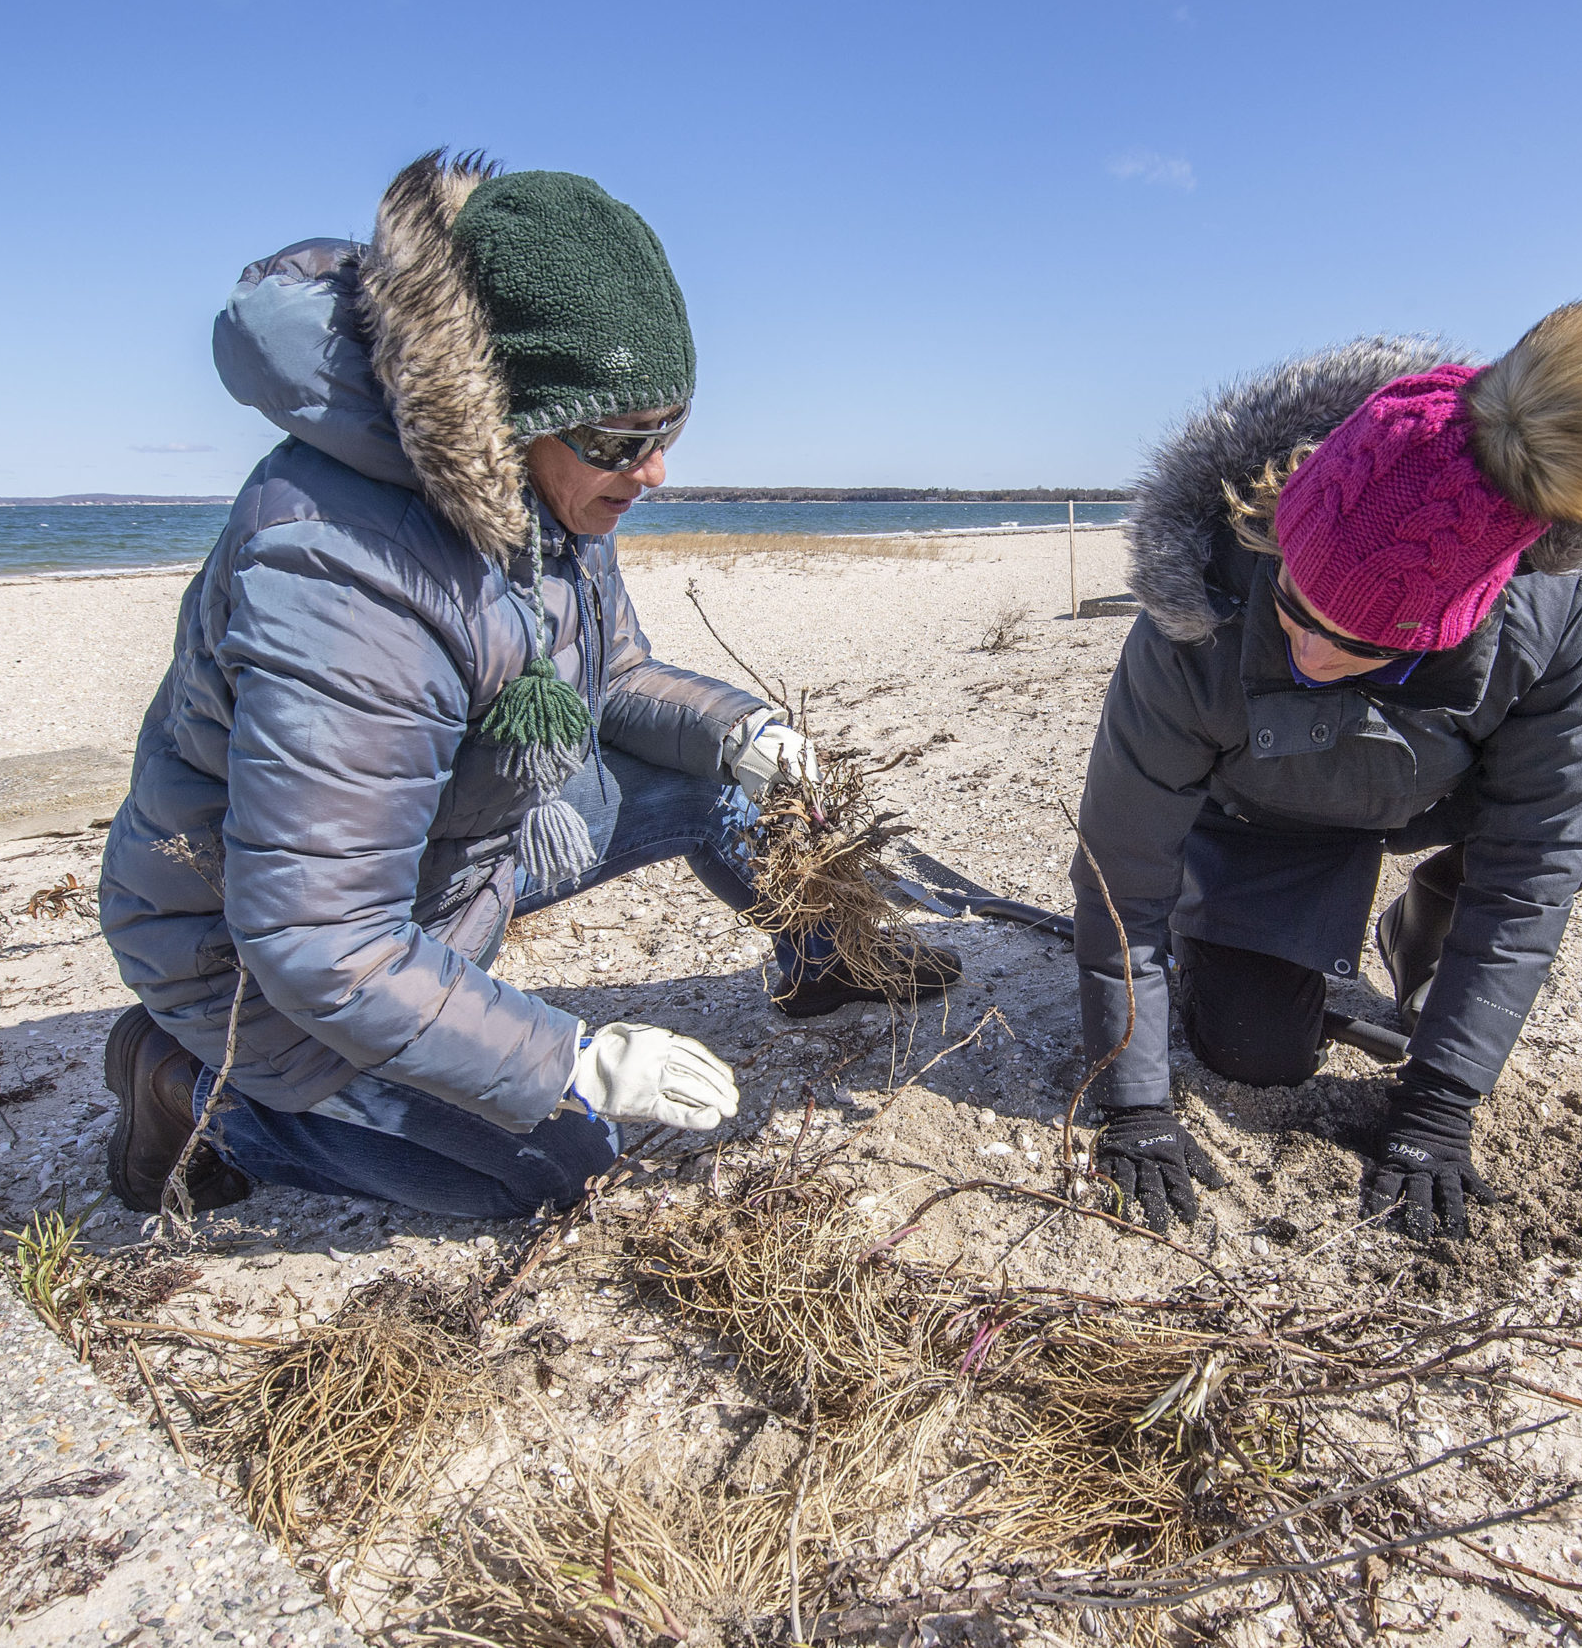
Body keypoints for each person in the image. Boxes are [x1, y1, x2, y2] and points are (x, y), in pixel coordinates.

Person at [95, 151, 959, 1221]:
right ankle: (190, 1089)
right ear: (507, 410)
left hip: (462, 852)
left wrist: (740, 731)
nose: (653, 475)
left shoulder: (549, 496)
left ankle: (825, 960)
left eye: (668, 430)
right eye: (620, 439)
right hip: (261, 963)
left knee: (723, 777)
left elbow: (619, 678)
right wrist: (570, 1060)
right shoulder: (345, 569)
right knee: (558, 1167)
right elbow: (319, 940)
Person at [1071, 299, 1582, 1239]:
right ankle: (1247, 924)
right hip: (1266, 816)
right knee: (1256, 1050)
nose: (1309, 653)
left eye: (1359, 644)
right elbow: (1121, 870)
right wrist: (1134, 1101)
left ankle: (1426, 911)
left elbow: (1539, 857)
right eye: (1294, 607)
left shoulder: (1554, 602)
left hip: (1432, 788)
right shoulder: (1199, 598)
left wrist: (1440, 1100)